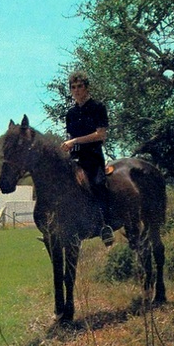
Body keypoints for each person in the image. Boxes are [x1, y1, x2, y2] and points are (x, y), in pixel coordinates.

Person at [60, 71, 115, 247]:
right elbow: (71, 139)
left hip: (92, 157)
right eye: (73, 87)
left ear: (86, 87)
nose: (76, 90)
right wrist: (68, 148)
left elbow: (101, 135)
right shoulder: (70, 114)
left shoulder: (98, 107)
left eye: (79, 86)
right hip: (75, 158)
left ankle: (106, 226)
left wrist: (75, 140)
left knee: (98, 184)